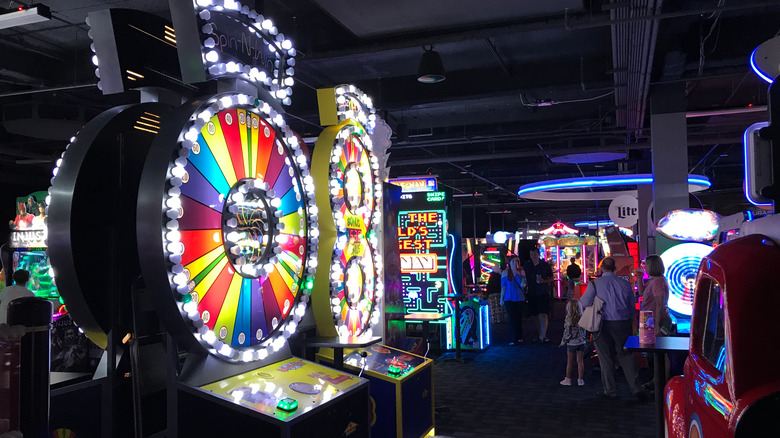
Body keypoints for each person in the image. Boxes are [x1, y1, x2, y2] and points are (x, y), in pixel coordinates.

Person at [580, 257, 647, 401]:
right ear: (615, 268)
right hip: (622, 323)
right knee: (627, 356)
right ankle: (636, 388)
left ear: (601, 268)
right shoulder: (624, 284)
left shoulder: (595, 284)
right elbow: (631, 305)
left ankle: (610, 390)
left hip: (602, 323)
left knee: (605, 358)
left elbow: (584, 301)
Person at [635, 255, 671, 337]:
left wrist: (657, 325)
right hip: (648, 318)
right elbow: (641, 293)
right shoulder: (653, 280)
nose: (644, 267)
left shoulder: (657, 281)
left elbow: (659, 304)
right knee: (648, 345)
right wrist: (639, 278)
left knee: (653, 346)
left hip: (654, 319)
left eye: (646, 265)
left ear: (652, 266)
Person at [524, 249, 554, 343]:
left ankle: (543, 335)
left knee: (543, 314)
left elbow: (552, 278)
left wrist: (544, 281)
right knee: (536, 315)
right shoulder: (527, 265)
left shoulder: (545, 265)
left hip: (543, 292)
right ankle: (540, 334)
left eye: (535, 254)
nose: (533, 256)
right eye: (531, 254)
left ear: (538, 254)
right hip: (532, 292)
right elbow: (524, 277)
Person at [559, 299, 586, 386]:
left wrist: (563, 342)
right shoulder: (583, 317)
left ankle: (568, 379)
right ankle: (580, 380)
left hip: (571, 343)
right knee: (580, 361)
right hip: (581, 342)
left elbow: (567, 333)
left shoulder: (568, 319)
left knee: (570, 362)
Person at [500, 255, 527, 345]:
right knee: (511, 318)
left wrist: (524, 282)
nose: (515, 263)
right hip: (509, 297)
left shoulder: (521, 272)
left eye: (516, 261)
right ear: (510, 262)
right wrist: (501, 298)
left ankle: (519, 336)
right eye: (513, 261)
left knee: (518, 318)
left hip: (519, 297)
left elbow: (524, 285)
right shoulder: (505, 272)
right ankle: (512, 338)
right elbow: (503, 287)